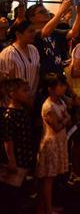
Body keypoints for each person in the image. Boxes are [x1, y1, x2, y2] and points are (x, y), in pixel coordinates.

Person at [36, 73, 70, 214]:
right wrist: (66, 119)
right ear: (51, 89)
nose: (64, 88)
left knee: (52, 178)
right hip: (50, 146)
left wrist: (65, 119)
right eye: (60, 85)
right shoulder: (48, 106)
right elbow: (56, 126)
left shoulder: (61, 102)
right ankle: (47, 209)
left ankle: (47, 207)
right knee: (48, 179)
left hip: (59, 143)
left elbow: (64, 120)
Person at [0, 77, 36, 208]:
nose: (28, 94)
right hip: (16, 160)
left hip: (24, 158)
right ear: (12, 93)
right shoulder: (9, 115)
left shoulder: (23, 111)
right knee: (11, 194)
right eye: (24, 91)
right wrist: (11, 160)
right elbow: (8, 140)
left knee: (20, 190)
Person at [0, 18, 40, 102]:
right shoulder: (9, 53)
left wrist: (32, 94)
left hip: (31, 97)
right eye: (30, 31)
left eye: (34, 31)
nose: (34, 34)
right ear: (18, 34)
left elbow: (37, 74)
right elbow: (7, 82)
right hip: (13, 101)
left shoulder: (34, 49)